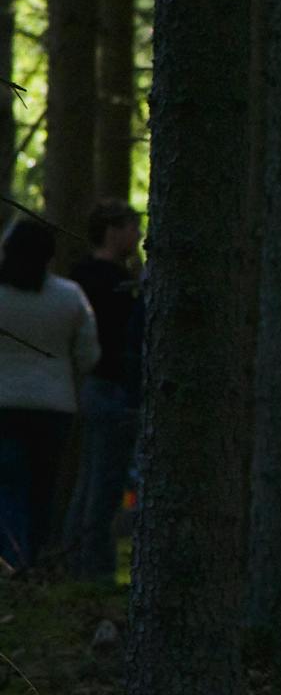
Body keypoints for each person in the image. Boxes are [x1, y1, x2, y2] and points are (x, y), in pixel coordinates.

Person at [0, 219, 100, 573]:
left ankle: (12, 562)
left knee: (8, 487)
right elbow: (89, 354)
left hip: (4, 406)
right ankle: (38, 559)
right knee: (43, 490)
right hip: (53, 407)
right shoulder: (69, 297)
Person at [65, 203, 143, 581]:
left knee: (92, 480)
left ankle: (78, 563)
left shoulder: (84, 276)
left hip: (98, 387)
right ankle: (93, 570)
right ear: (113, 230)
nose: (139, 237)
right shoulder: (101, 280)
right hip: (108, 386)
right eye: (133, 227)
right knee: (104, 484)